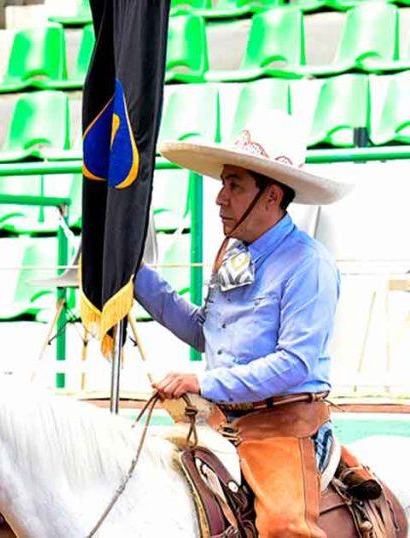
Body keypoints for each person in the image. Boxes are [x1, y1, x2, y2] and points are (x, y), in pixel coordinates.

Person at [136, 110, 378, 538]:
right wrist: (135, 278)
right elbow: (206, 330)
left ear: (271, 196)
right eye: (223, 184)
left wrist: (203, 381)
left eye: (234, 186)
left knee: (284, 527)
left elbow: (294, 364)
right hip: (219, 420)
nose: (219, 198)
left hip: (282, 428)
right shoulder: (234, 253)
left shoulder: (308, 264)